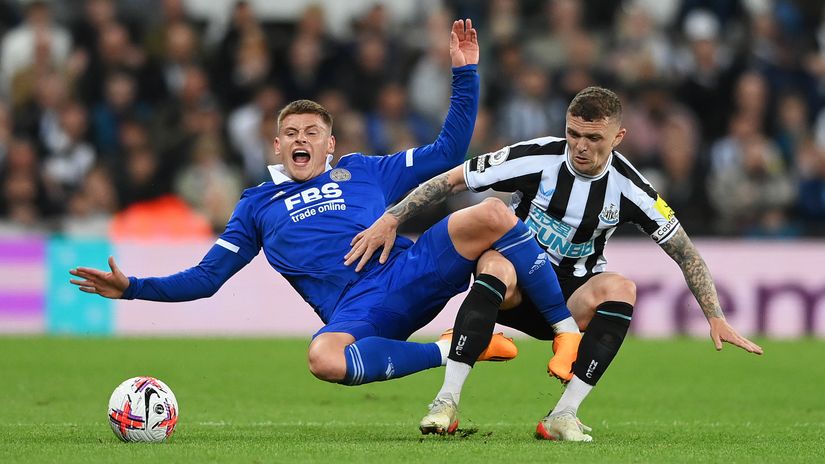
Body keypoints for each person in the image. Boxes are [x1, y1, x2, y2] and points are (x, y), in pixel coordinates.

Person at [68, 20, 581, 404]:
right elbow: (206, 279)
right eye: (291, 133)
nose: (301, 139)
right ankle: (456, 347)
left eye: (312, 133)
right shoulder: (256, 206)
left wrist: (465, 74)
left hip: (411, 269)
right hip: (360, 312)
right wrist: (133, 288)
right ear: (275, 146)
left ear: (329, 144)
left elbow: (448, 151)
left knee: (491, 212)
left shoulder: (363, 170)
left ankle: (564, 331)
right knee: (323, 358)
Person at [347, 86, 764, 441]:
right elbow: (452, 180)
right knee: (494, 260)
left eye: (593, 138)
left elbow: (685, 251)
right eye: (573, 134)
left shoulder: (633, 189)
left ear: (618, 136)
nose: (581, 146)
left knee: (622, 288)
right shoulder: (536, 157)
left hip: (571, 300)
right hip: (515, 285)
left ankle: (562, 415)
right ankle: (446, 402)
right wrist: (392, 218)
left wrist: (715, 314)